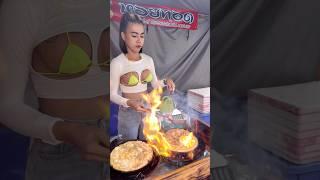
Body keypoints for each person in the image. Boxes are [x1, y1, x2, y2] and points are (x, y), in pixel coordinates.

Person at [0, 1, 109, 179]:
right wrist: (67, 131)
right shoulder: (24, 6)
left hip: (121, 135)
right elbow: (7, 105)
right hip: (61, 149)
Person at [110, 13, 175, 140]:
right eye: (134, 35)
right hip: (128, 111)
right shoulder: (117, 63)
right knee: (129, 146)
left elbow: (155, 84)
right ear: (123, 36)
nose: (139, 40)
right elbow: (112, 95)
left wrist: (167, 81)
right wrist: (129, 102)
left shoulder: (148, 60)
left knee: (147, 142)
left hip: (147, 107)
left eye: (142, 36)